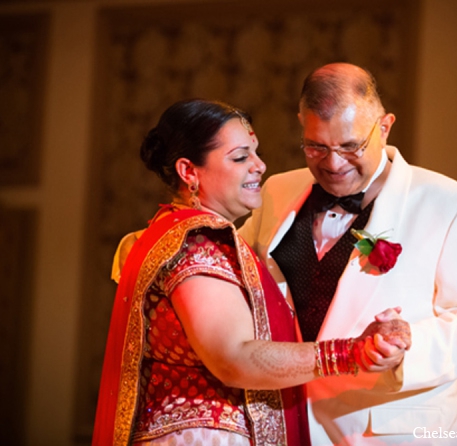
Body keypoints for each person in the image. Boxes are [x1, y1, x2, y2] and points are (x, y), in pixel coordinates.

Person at [92, 98, 411, 446]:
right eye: (241, 157)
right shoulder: (198, 242)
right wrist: (352, 353)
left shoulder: (183, 234)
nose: (260, 166)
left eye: (255, 153)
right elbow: (235, 357)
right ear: (188, 171)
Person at [239, 63, 457, 445]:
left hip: (389, 434)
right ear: (302, 124)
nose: (333, 164)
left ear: (384, 127)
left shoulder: (455, 205)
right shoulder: (277, 190)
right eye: (316, 146)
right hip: (287, 425)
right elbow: (231, 268)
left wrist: (406, 348)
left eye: (351, 146)